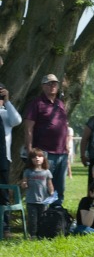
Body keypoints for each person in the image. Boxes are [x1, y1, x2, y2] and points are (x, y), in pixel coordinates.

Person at [23, 74, 69, 206]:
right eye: (49, 83)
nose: (52, 86)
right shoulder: (37, 103)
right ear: (43, 86)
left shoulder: (60, 104)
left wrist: (66, 150)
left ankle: (56, 216)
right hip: (45, 153)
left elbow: (64, 128)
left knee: (59, 188)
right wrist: (30, 150)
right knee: (43, 188)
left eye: (55, 83)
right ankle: (42, 216)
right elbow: (28, 129)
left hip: (62, 153)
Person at [0, 60, 22, 238]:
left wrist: (7, 101)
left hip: (3, 158)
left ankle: (5, 227)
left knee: (3, 194)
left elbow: (18, 121)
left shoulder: (7, 114)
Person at [20, 148, 54, 238]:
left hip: (43, 200)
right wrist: (24, 184)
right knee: (32, 220)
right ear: (31, 159)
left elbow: (50, 184)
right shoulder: (28, 172)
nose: (37, 158)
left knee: (42, 219)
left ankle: (42, 234)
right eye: (34, 157)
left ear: (44, 159)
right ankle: (33, 235)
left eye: (40, 156)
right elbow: (24, 183)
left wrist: (52, 193)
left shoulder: (47, 172)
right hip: (31, 201)